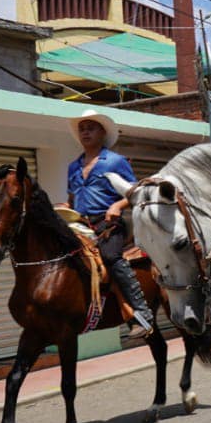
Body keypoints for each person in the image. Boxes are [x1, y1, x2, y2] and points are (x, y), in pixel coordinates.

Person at [64, 109, 153, 340]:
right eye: (82, 128)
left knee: (112, 258)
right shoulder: (73, 167)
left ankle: (142, 313)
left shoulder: (115, 161)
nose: (85, 132)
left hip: (108, 225)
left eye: (91, 127)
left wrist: (118, 206)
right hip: (81, 225)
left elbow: (135, 192)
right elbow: (73, 199)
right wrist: (62, 208)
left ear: (102, 133)